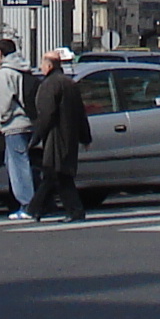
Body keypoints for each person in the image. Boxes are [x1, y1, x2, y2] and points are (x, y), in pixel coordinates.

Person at [27, 46, 91, 222]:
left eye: (42, 63)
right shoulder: (70, 83)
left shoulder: (49, 85)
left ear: (48, 65)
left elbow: (46, 115)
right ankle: (42, 209)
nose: (41, 67)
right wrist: (85, 137)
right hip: (69, 136)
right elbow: (80, 113)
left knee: (54, 173)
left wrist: (36, 137)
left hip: (55, 136)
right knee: (59, 175)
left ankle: (35, 209)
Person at [0, 40, 38, 219]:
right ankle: (32, 202)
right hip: (28, 121)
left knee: (17, 165)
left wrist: (2, 121)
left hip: (13, 124)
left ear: (0, 53)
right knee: (23, 163)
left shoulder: (4, 73)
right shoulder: (24, 68)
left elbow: (4, 102)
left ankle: (27, 204)